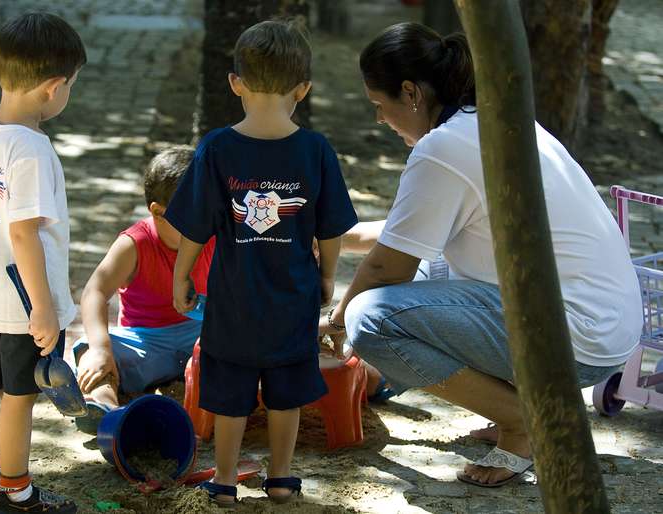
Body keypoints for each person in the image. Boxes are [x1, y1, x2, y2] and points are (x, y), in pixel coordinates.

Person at [320, 22, 642, 488]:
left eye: (379, 106)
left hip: (576, 338)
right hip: (603, 321)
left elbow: (390, 265)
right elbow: (408, 235)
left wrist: (336, 320)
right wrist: (330, 237)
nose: (379, 121)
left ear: (409, 93)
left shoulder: (442, 148)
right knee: (429, 268)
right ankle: (390, 376)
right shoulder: (486, 120)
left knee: (370, 319)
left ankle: (523, 422)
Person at [165, 20, 358, 506]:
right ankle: (280, 478)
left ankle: (225, 481)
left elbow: (196, 225)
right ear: (303, 89)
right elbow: (331, 228)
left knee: (228, 393)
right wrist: (328, 276)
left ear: (235, 83)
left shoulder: (217, 147)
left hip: (232, 297)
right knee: (286, 393)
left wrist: (181, 273)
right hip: (293, 295)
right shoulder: (314, 150)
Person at [0, 12, 85, 513]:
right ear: (53, 88)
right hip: (21, 305)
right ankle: (17, 492)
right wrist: (45, 309)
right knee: (18, 399)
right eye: (71, 85)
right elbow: (23, 232)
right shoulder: (31, 149)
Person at [72, 147, 215, 433]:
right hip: (145, 341)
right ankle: (107, 410)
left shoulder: (212, 234)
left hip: (201, 334)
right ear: (158, 212)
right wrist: (102, 349)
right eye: (192, 215)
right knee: (88, 352)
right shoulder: (135, 243)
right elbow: (95, 292)